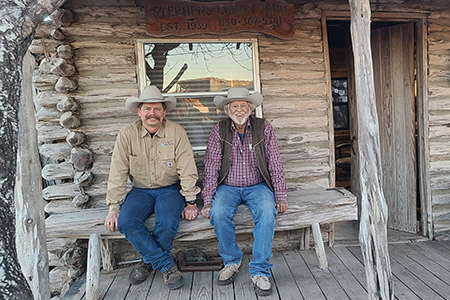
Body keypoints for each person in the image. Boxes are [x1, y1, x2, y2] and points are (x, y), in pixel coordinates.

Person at [104, 85, 200, 290]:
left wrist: (191, 201)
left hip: (170, 189)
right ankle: (166, 265)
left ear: (164, 112)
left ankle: (147, 262)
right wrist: (113, 208)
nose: (152, 114)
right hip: (140, 190)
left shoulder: (176, 131)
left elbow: (187, 167)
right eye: (147, 109)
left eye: (157, 109)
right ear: (139, 111)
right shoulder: (126, 134)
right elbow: (117, 171)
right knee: (126, 221)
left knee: (167, 221)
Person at [201, 87, 288, 296]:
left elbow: (275, 162)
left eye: (242, 105)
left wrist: (280, 195)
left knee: (268, 212)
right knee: (218, 212)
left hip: (257, 186)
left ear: (250, 108)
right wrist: (207, 200)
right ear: (228, 109)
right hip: (227, 187)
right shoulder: (219, 130)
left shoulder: (263, 128)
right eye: (234, 106)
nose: (239, 109)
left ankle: (260, 270)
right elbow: (211, 165)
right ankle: (231, 261)